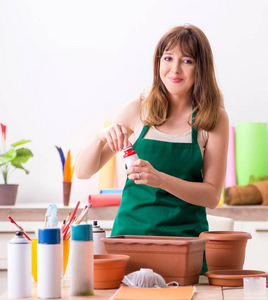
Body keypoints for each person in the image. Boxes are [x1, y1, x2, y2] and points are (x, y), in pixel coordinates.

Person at [76, 24, 228, 246]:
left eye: (187, 61)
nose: (175, 69)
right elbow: (82, 172)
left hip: (185, 244)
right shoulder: (137, 110)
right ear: (158, 62)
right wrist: (100, 137)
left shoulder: (213, 119)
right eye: (168, 58)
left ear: (201, 68)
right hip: (129, 240)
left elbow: (212, 196)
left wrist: (160, 179)